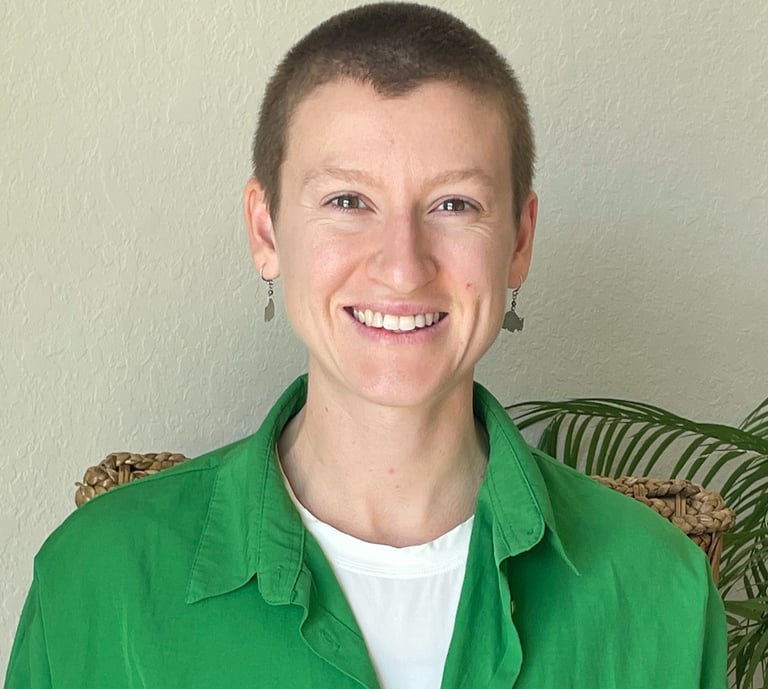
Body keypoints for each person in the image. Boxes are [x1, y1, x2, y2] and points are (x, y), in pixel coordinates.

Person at [5, 3, 726, 688]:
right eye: (348, 201)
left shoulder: (660, 586)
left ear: (519, 242)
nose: (402, 267)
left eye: (454, 204)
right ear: (265, 230)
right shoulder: (97, 576)